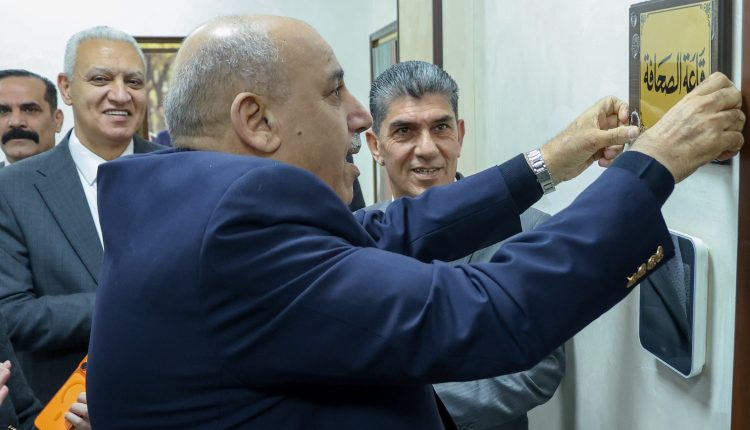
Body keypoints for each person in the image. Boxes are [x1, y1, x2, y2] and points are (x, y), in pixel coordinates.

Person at [87, 15, 743, 429]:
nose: (357, 115)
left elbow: (383, 233)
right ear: (255, 121)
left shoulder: (188, 198)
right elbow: (492, 310)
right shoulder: (233, 231)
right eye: (333, 91)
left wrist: (546, 164)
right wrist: (651, 167)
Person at [364, 60, 563, 430]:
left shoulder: (528, 230)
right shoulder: (354, 239)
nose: (427, 149)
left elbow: (536, 369)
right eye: (404, 131)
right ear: (376, 146)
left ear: (459, 134)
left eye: (440, 127)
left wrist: (405, 412)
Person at [0, 25, 164, 405]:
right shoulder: (13, 189)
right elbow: (11, 314)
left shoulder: (184, 172)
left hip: (171, 403)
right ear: (67, 88)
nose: (120, 94)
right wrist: (127, 302)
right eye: (101, 79)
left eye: (134, 81)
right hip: (62, 410)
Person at [0, 69, 63, 166]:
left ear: (57, 120)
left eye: (30, 110)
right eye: (3, 111)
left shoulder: (84, 174)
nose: (16, 122)